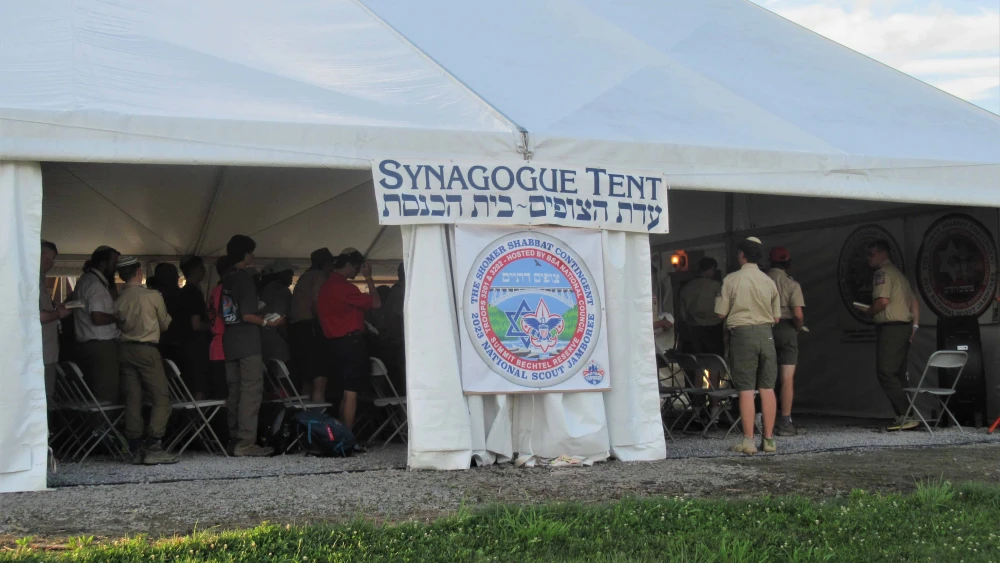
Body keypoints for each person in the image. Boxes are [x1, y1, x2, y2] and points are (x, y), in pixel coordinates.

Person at [715, 237, 781, 455]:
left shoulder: (732, 279)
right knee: (767, 388)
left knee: (746, 389)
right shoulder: (768, 281)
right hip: (767, 334)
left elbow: (720, 313)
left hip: (742, 335)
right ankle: (769, 440)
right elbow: (777, 317)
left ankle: (748, 440)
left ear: (742, 254)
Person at [113, 256, 178, 465]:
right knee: (161, 397)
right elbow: (165, 323)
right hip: (147, 348)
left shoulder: (119, 299)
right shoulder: (152, 296)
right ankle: (154, 443)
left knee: (133, 397)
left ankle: (134, 444)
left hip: (124, 348)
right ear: (139, 272)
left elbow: (119, 323)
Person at [220, 235, 278, 456]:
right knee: (251, 391)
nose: (253, 256)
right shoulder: (244, 278)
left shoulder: (227, 277)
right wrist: (267, 321)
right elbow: (247, 315)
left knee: (234, 391)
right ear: (245, 254)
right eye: (251, 252)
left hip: (230, 340)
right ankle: (246, 443)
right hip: (247, 341)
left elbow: (228, 312)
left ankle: (234, 439)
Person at [317, 248, 382, 440]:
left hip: (333, 343)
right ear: (349, 265)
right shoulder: (345, 287)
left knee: (343, 392)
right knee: (351, 392)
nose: (357, 271)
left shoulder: (326, 286)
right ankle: (347, 437)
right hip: (351, 342)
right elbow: (376, 303)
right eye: (357, 267)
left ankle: (339, 436)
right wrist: (369, 278)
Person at [860, 240, 920, 431]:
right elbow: (915, 302)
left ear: (883, 253)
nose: (868, 257)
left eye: (872, 253)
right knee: (899, 373)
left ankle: (905, 414)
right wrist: (915, 326)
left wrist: (870, 311)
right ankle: (907, 415)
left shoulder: (882, 273)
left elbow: (883, 301)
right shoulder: (899, 275)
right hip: (903, 327)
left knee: (886, 371)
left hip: (891, 327)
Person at [71, 245, 122, 402]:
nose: (116, 268)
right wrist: (119, 318)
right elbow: (98, 318)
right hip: (101, 346)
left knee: (94, 392)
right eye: (114, 264)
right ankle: (104, 426)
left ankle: (98, 425)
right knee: (107, 393)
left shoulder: (85, 280)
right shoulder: (95, 285)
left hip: (88, 344)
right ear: (103, 264)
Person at [766, 247, 806, 437]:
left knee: (764, 377)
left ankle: (762, 420)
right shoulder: (792, 284)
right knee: (786, 379)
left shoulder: (762, 281)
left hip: (764, 328)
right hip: (786, 328)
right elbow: (798, 314)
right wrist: (797, 328)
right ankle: (785, 422)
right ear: (788, 263)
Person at [679, 257, 725, 416]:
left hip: (693, 331)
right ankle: (714, 410)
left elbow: (683, 315)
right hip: (713, 330)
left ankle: (696, 412)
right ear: (711, 269)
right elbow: (722, 311)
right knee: (714, 369)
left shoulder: (686, 288)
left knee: (697, 370)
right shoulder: (717, 286)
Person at [289, 248, 336, 402]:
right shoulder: (319, 276)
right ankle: (318, 421)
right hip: (312, 329)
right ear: (326, 264)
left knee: (307, 378)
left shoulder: (304, 277)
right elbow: (317, 304)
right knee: (320, 378)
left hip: (297, 330)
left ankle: (305, 421)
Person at [161, 257, 212, 399]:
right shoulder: (194, 293)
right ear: (196, 269)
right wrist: (211, 327)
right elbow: (196, 324)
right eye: (202, 267)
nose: (205, 270)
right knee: (199, 387)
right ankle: (198, 418)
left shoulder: (180, 293)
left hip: (180, 347)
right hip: (195, 348)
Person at [39, 241, 70, 400]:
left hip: (47, 352)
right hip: (40, 353)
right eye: (46, 259)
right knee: (43, 399)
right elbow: (38, 316)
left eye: (52, 260)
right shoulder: (31, 283)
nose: (49, 264)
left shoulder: (41, 282)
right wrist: (58, 313)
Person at [205, 256, 234, 401]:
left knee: (220, 394)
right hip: (225, 348)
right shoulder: (225, 291)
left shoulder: (215, 290)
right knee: (226, 397)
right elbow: (229, 317)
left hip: (215, 347)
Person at [259, 259, 294, 364]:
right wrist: (287, 337)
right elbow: (279, 317)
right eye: (289, 273)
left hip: (266, 337)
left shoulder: (268, 289)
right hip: (277, 338)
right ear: (281, 274)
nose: (292, 276)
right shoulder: (280, 290)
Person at [382, 262, 406, 392]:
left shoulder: (396, 290)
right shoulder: (400, 291)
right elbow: (397, 317)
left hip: (396, 341)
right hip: (399, 342)